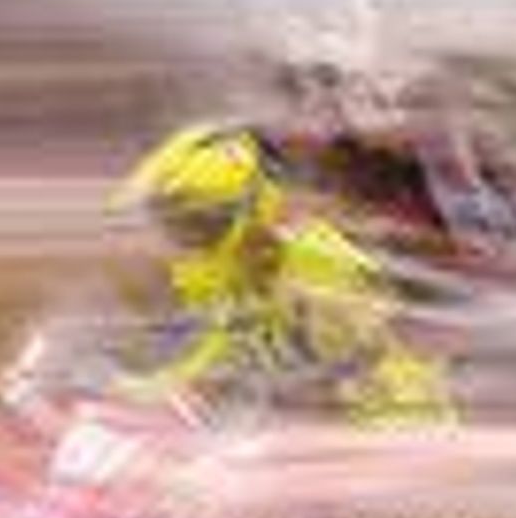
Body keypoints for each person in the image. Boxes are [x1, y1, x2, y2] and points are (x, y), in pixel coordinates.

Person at [115, 121, 457, 425]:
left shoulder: (320, 266)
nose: (183, 239)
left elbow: (326, 375)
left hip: (393, 427)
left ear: (251, 210)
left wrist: (215, 397)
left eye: (197, 224)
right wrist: (151, 391)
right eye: (173, 224)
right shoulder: (235, 270)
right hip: (323, 442)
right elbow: (223, 345)